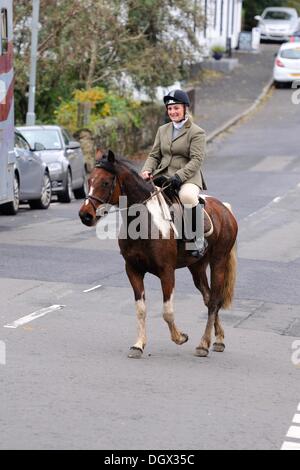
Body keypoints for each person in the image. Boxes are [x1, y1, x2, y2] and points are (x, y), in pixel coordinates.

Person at [141, 89, 207, 257]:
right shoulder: (162, 130)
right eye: (169, 109)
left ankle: (197, 239)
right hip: (163, 176)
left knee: (187, 197)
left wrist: (179, 177)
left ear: (185, 108)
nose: (172, 112)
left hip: (188, 178)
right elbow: (154, 155)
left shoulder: (196, 132)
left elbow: (196, 160)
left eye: (176, 108)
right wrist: (147, 170)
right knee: (142, 196)